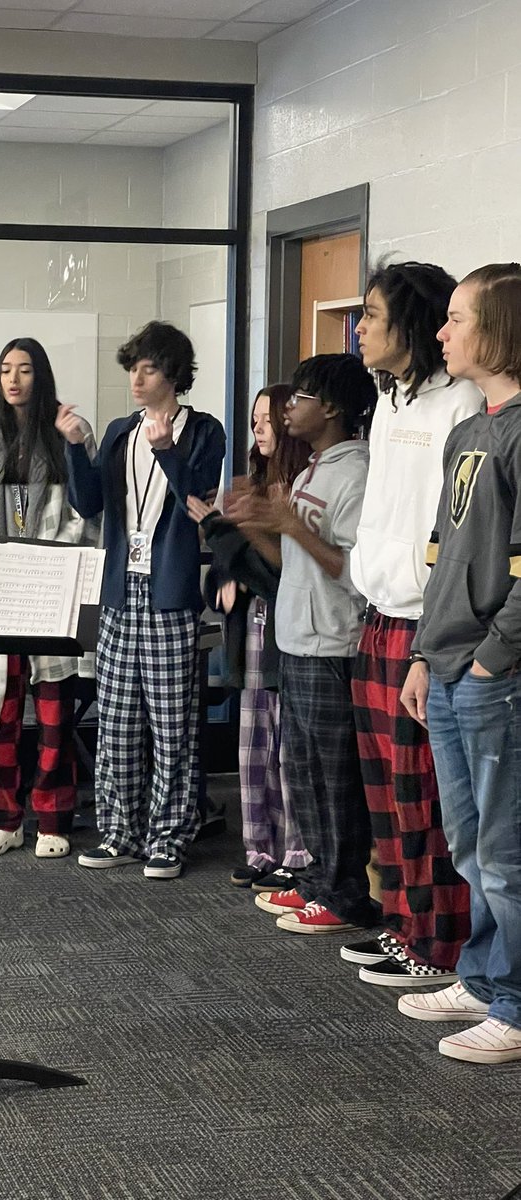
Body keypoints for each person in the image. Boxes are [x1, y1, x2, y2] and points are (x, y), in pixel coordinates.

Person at [197, 354, 379, 932]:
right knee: (299, 771)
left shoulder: (357, 475)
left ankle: (346, 895)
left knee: (334, 777)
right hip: (294, 640)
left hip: (335, 644)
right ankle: (316, 881)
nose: (288, 408)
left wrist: (291, 524)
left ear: (330, 408)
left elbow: (352, 572)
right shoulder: (308, 473)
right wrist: (255, 524)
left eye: (299, 398)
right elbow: (288, 562)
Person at [344, 261, 481, 986]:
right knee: (384, 793)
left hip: (425, 626)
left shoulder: (459, 403)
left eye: (371, 315)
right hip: (376, 617)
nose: (359, 328)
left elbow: (453, 531)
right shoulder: (387, 400)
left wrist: (431, 638)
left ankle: (440, 943)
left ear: (414, 323)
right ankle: (400, 921)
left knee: (423, 795)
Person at [399, 263, 521, 1064]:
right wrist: (421, 654)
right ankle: (481, 978)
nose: (440, 333)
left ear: (500, 327)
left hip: (492, 676)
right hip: (443, 667)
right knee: (469, 844)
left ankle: (514, 1005)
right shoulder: (469, 428)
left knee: (508, 856)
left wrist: (489, 661)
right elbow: (445, 558)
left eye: (454, 318)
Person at [57, 320, 225, 880]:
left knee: (173, 723)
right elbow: (87, 505)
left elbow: (196, 497)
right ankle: (118, 831)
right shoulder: (119, 430)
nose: (136, 377)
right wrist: (76, 446)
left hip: (169, 592)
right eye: (132, 367)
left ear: (172, 374)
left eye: (147, 368)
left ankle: (170, 836)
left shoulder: (204, 430)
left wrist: (170, 452)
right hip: (118, 590)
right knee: (118, 721)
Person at [0, 337, 100, 860]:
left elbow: (89, 513)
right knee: (0, 712)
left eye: (25, 370)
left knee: (56, 715)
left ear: (42, 377)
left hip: (50, 589)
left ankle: (53, 819)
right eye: (5, 370)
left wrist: (44, 564)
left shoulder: (67, 434)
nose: (13, 379)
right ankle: (3, 819)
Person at [190, 384, 311, 891]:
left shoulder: (299, 489)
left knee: (288, 749)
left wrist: (224, 533)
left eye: (268, 419)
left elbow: (281, 573)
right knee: (253, 747)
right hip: (251, 632)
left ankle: (297, 851)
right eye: (255, 418)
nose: (258, 427)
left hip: (292, 633)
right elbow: (221, 573)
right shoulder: (249, 489)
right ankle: (260, 849)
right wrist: (223, 576)